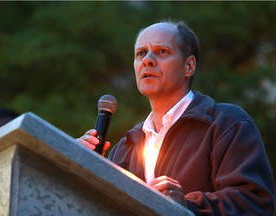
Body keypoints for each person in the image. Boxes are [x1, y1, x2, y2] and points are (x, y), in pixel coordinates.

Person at [77, 21, 276, 215]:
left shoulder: (227, 124)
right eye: (141, 53)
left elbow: (255, 203)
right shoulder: (125, 148)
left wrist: (186, 207)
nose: (148, 60)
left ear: (189, 66)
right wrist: (81, 167)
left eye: (162, 51)